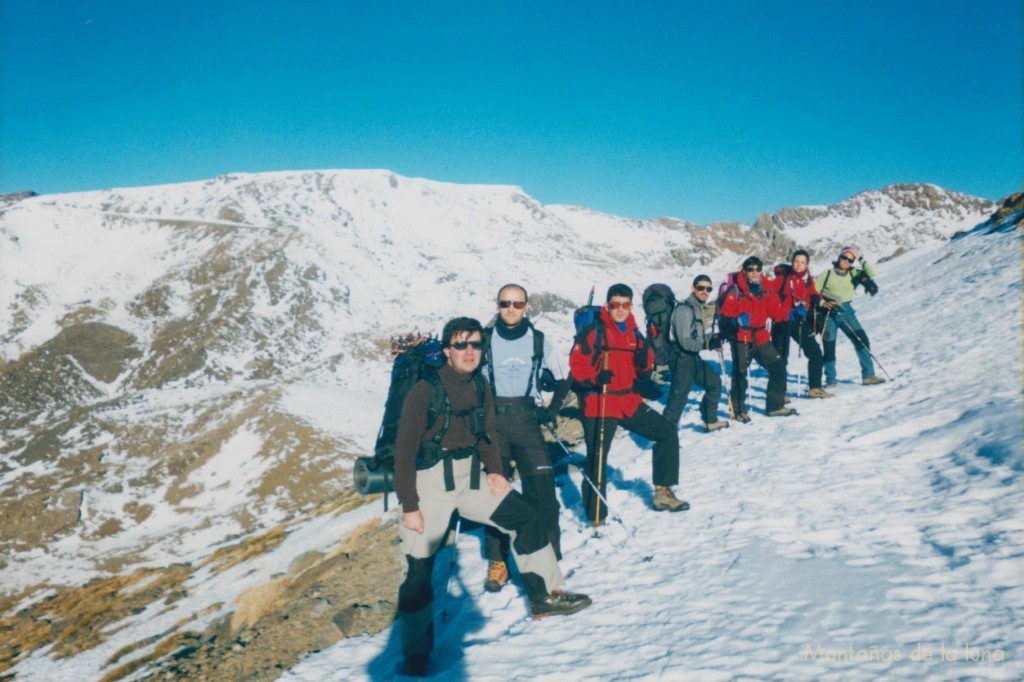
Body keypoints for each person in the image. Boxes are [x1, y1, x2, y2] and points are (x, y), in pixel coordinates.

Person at [394, 317, 590, 676]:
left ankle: (544, 595)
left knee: (526, 517)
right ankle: (415, 654)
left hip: (471, 478)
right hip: (430, 484)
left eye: (475, 345)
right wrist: (410, 506)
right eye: (460, 345)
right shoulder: (424, 390)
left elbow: (486, 434)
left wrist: (495, 471)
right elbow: (403, 451)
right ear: (446, 350)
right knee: (419, 569)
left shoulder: (481, 384)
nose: (469, 351)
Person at [569, 283, 688, 525]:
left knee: (665, 432)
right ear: (607, 305)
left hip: (627, 400)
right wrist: (594, 378)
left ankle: (663, 493)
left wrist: (645, 363)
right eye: (616, 304)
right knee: (597, 458)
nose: (621, 309)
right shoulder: (594, 332)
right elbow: (576, 366)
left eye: (625, 304)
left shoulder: (634, 332)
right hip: (599, 402)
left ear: (631, 306)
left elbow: (644, 368)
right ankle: (595, 516)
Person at [479, 283, 571, 593]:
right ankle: (498, 561)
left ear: (527, 306)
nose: (511, 309)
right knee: (496, 494)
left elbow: (563, 378)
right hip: (494, 422)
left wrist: (552, 411)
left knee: (543, 492)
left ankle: (548, 560)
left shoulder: (539, 341)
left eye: (517, 304)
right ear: (497, 304)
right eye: (506, 303)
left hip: (528, 419)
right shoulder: (484, 340)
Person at [719, 256, 797, 421]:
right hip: (742, 338)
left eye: (757, 269)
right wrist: (737, 320)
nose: (754, 273)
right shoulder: (735, 291)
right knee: (740, 374)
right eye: (750, 269)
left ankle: (775, 406)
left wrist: (791, 313)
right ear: (744, 271)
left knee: (778, 367)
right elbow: (726, 315)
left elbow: (775, 311)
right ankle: (738, 411)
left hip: (761, 336)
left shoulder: (767, 288)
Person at [662, 275, 729, 432]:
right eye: (701, 288)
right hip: (681, 359)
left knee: (713, 383)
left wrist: (713, 338)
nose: (705, 292)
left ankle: (709, 420)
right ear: (693, 288)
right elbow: (685, 341)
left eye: (708, 289)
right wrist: (706, 344)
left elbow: (695, 338)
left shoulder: (696, 308)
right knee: (678, 399)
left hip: (693, 358)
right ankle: (665, 435)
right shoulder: (684, 309)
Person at [814, 246, 886, 387]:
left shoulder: (854, 273)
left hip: (846, 310)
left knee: (861, 339)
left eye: (850, 260)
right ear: (839, 257)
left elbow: (871, 273)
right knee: (829, 345)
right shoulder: (827, 274)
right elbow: (814, 292)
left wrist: (859, 257)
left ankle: (868, 376)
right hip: (828, 311)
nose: (846, 261)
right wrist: (823, 302)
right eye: (844, 257)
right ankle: (830, 380)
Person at [771, 250, 834, 399]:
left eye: (802, 262)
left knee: (815, 353)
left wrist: (817, 300)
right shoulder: (783, 279)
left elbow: (813, 293)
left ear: (807, 264)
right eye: (796, 261)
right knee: (781, 357)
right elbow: (769, 295)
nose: (799, 265)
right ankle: (780, 393)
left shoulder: (808, 280)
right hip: (781, 321)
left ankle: (815, 388)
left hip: (799, 321)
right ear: (792, 262)